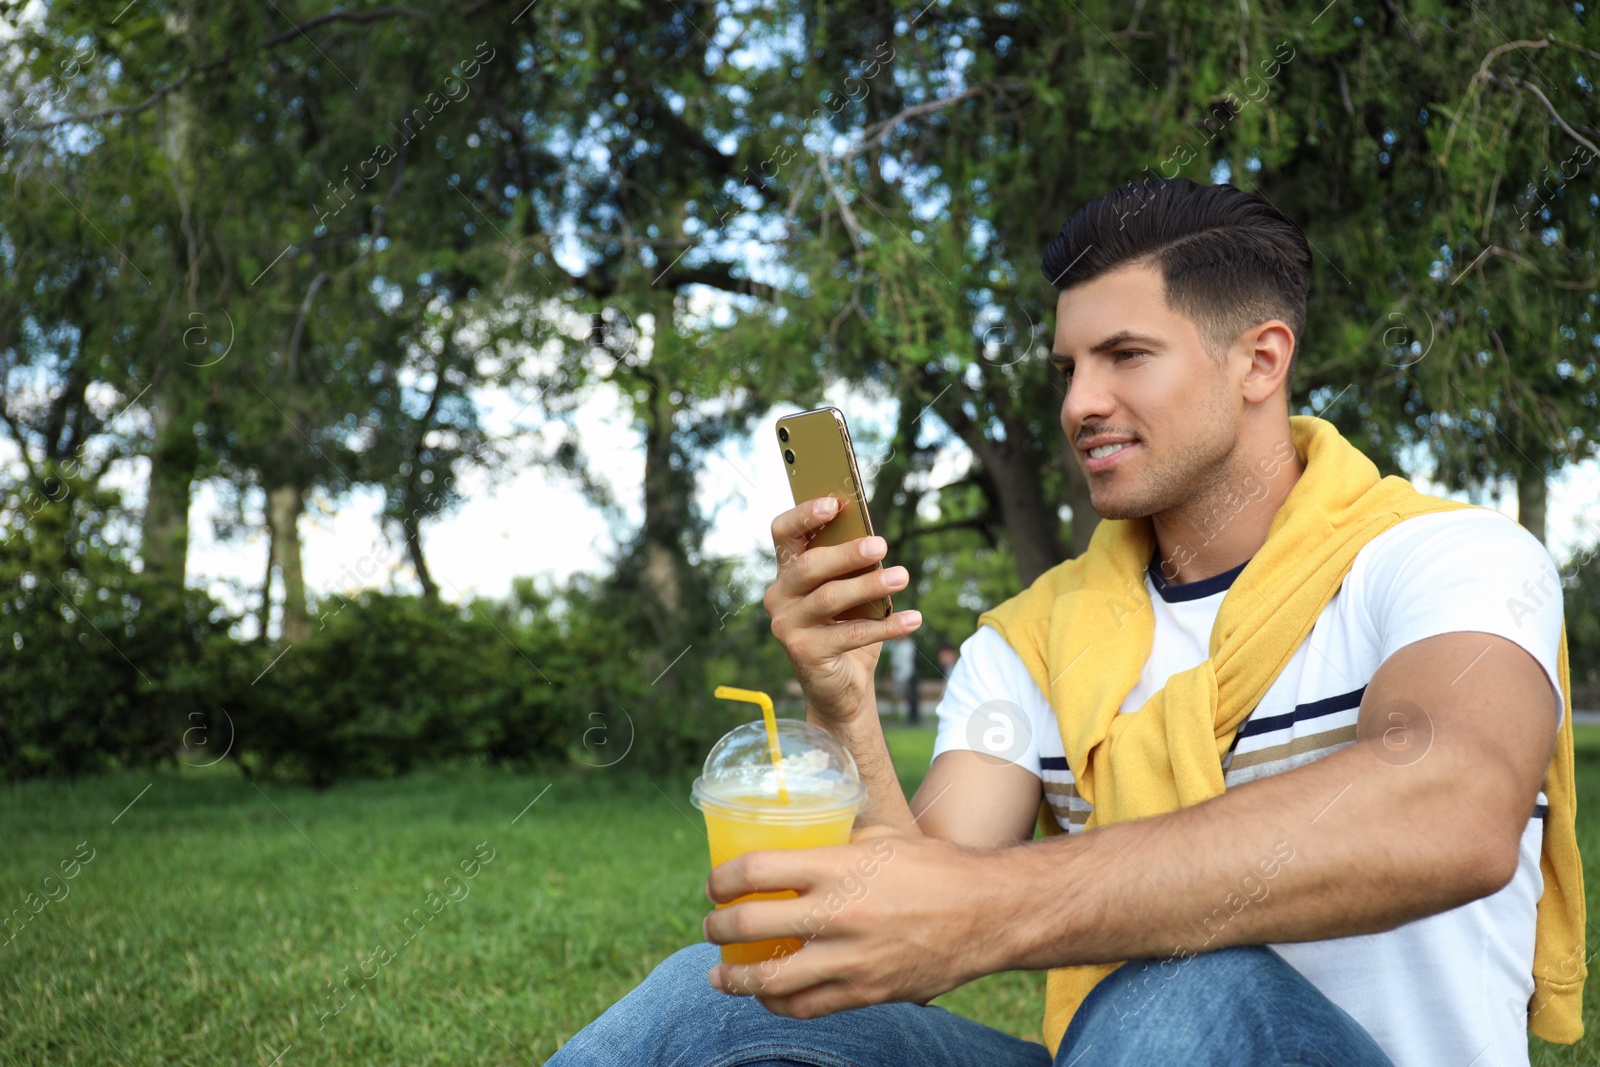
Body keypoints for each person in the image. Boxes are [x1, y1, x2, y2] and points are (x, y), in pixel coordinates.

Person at [548, 177, 1583, 1067]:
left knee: (1183, 986)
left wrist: (995, 909)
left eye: (1126, 355)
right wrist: (842, 697)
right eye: (1067, 369)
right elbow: (911, 890)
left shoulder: (1448, 560)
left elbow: (1445, 802)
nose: (1081, 400)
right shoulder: (1035, 637)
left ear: (1260, 361)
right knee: (703, 1003)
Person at [887, 633, 920, 724]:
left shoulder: (910, 644)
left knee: (911, 697)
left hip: (909, 674)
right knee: (896, 696)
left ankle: (913, 718)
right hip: (897, 675)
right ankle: (895, 716)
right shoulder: (894, 646)